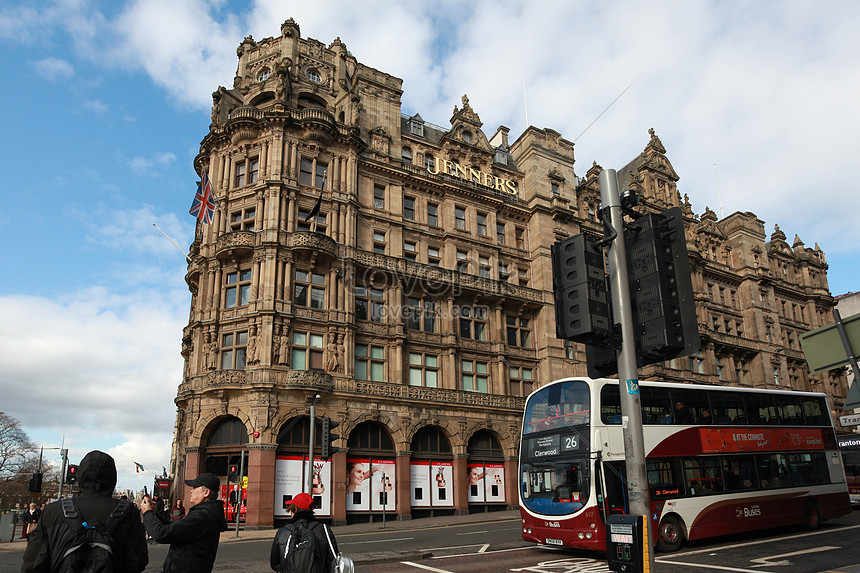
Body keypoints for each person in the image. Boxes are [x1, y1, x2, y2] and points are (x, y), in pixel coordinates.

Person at [22, 450, 148, 572]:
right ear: (112, 478)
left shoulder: (53, 511)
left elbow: (33, 564)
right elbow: (138, 561)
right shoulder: (128, 512)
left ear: (80, 475)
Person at [140, 472, 228, 573]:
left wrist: (147, 513)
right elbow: (175, 528)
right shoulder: (205, 514)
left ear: (206, 493)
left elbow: (161, 534)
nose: (191, 491)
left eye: (194, 488)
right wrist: (155, 514)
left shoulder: (202, 517)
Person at [270, 492, 339, 573]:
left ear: (295, 510)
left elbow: (275, 564)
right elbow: (334, 559)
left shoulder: (283, 531)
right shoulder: (323, 529)